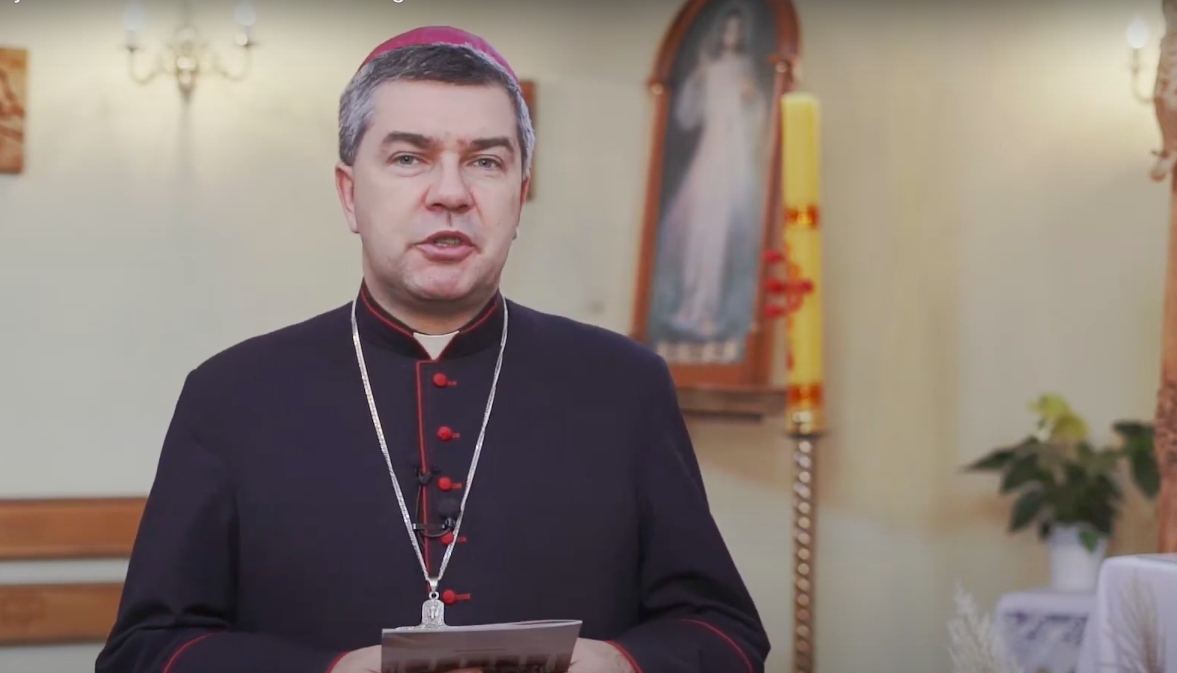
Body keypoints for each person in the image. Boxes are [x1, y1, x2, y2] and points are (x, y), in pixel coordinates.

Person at [95, 26, 769, 673]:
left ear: (520, 195)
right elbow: (144, 652)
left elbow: (726, 634)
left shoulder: (624, 384)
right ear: (349, 194)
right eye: (408, 158)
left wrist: (625, 663)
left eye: (486, 161)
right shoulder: (231, 395)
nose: (450, 193)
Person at [651, 5, 766, 347]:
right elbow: (688, 115)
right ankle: (689, 303)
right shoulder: (711, 69)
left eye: (737, 31)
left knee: (720, 234)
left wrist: (751, 98)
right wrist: (700, 78)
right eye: (727, 30)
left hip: (733, 156)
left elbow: (759, 117)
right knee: (696, 231)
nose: (731, 36)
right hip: (709, 153)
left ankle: (709, 308)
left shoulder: (744, 70)